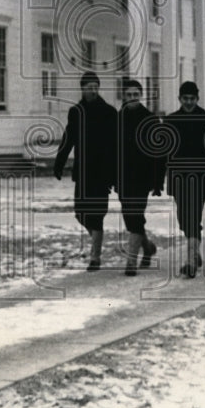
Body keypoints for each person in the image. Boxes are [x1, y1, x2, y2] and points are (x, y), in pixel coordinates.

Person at [54, 71, 117, 271]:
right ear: (82, 88)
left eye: (95, 86)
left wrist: (115, 173)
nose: (92, 90)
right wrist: (59, 163)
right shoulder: (76, 112)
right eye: (89, 86)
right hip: (82, 171)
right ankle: (100, 243)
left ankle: (95, 257)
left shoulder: (109, 112)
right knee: (81, 214)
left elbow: (116, 145)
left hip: (102, 172)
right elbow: (68, 138)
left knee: (97, 215)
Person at [159, 81, 205, 278]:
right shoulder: (170, 121)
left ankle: (191, 261)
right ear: (179, 99)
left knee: (193, 217)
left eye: (192, 99)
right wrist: (160, 179)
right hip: (178, 177)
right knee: (184, 219)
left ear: (197, 99)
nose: (189, 102)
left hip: (200, 178)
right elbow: (164, 153)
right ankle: (195, 252)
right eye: (185, 99)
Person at [116, 79, 162, 276]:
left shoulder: (150, 119)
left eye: (136, 94)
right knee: (130, 218)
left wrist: (158, 181)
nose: (133, 98)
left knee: (135, 214)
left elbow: (159, 153)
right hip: (123, 178)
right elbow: (112, 152)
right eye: (129, 95)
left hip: (143, 178)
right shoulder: (118, 118)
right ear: (124, 96)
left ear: (140, 96)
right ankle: (148, 247)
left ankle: (131, 261)